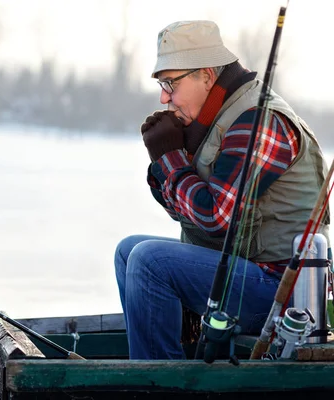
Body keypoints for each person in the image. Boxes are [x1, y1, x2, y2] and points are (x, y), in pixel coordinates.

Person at [114, 20, 330, 360]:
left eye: (171, 83)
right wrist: (165, 164)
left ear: (207, 76)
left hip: (282, 293)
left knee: (149, 261)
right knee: (129, 252)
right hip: (245, 272)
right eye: (161, 84)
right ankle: (172, 362)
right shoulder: (212, 120)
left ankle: (158, 385)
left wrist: (171, 160)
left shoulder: (257, 121)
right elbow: (184, 213)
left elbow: (216, 218)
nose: (163, 97)